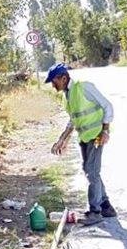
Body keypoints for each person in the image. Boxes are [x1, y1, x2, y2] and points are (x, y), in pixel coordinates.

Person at [46, 63, 116, 225]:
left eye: (54, 81)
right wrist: (62, 139)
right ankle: (106, 206)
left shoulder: (84, 87)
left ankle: (95, 211)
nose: (52, 85)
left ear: (64, 78)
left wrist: (105, 130)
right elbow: (73, 120)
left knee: (92, 172)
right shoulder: (67, 96)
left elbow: (107, 106)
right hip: (85, 138)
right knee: (90, 171)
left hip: (97, 135)